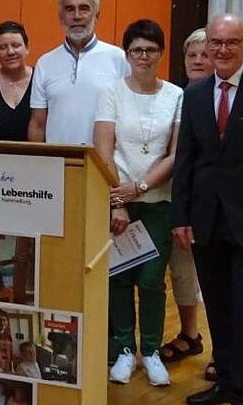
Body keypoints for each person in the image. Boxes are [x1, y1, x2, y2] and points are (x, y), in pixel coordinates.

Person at [93, 19, 182, 387]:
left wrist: (140, 187)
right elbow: (103, 147)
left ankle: (151, 350)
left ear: (161, 53)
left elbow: (176, 154)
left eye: (150, 49)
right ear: (127, 54)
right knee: (119, 278)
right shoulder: (112, 91)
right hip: (117, 203)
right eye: (136, 50)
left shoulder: (176, 94)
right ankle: (126, 351)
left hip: (158, 202)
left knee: (151, 281)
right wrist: (118, 200)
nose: (143, 56)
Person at [173, 13, 243, 405]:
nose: (221, 50)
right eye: (215, 42)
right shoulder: (196, 94)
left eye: (230, 42)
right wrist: (180, 216)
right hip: (205, 221)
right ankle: (228, 383)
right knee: (217, 306)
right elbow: (187, 159)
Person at [158, 28, 213, 375]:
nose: (196, 60)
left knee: (218, 280)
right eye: (190, 54)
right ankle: (190, 335)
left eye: (203, 54)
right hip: (178, 200)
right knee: (182, 273)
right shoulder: (176, 95)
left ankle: (226, 352)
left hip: (215, 207)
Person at [28, 0, 130, 144]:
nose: (77, 16)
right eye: (69, 9)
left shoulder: (119, 59)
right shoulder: (45, 63)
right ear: (61, 17)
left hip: (102, 163)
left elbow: (128, 119)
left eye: (84, 8)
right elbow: (38, 124)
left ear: (97, 15)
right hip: (57, 162)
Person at [0, 21, 34, 141]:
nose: (10, 52)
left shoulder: (40, 81)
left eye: (16, 45)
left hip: (34, 158)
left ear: (27, 47)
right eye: (2, 47)